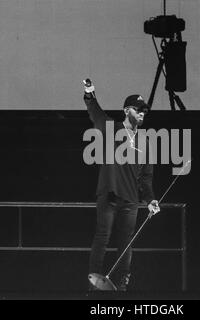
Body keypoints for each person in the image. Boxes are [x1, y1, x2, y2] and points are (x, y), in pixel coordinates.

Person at [83, 79, 160, 291]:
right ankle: (94, 284)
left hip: (131, 200)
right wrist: (90, 93)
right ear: (127, 111)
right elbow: (95, 113)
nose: (143, 113)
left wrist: (151, 199)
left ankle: (122, 285)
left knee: (126, 243)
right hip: (109, 194)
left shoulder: (145, 142)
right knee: (102, 236)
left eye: (145, 111)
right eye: (138, 110)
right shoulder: (112, 129)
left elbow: (146, 178)